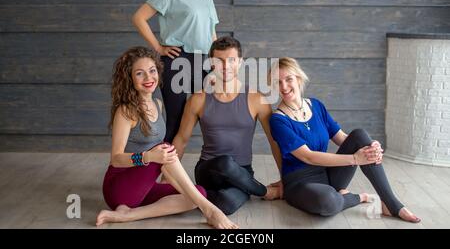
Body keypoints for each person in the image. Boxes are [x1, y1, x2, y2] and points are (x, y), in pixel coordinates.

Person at [96, 47, 238, 229]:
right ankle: (211, 211)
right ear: (129, 78)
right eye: (140, 73)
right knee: (164, 149)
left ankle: (127, 215)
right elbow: (116, 159)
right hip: (119, 188)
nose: (148, 78)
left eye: (152, 71)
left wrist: (165, 171)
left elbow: (161, 159)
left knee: (197, 193)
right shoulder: (126, 111)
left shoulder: (158, 104)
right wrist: (148, 158)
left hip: (142, 186)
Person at [268, 57, 421, 223]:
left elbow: (342, 138)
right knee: (328, 201)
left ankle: (390, 204)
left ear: (298, 79)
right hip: (300, 184)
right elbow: (308, 156)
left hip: (328, 175)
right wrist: (355, 159)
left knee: (360, 135)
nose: (284, 86)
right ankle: (355, 198)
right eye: (278, 82)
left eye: (288, 79)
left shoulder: (316, 106)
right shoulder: (278, 120)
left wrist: (369, 145)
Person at [171, 36, 282, 215]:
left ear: (240, 62)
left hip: (242, 172)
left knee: (226, 204)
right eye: (219, 61)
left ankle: (198, 195)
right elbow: (181, 140)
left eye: (231, 60)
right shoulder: (198, 100)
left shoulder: (257, 99)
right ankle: (263, 191)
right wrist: (164, 178)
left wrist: (285, 178)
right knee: (225, 162)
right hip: (209, 169)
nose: (226, 66)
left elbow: (274, 141)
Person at [132, 0, 218, 144]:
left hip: (203, 61)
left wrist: (218, 62)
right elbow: (139, 18)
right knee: (176, 120)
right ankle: (161, 169)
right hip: (177, 59)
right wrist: (159, 48)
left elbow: (212, 33)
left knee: (210, 112)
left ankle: (180, 164)